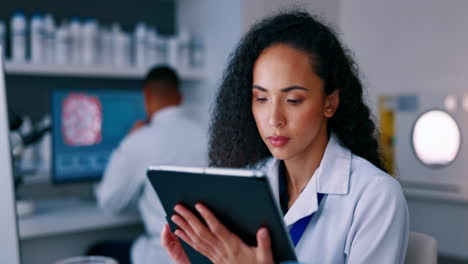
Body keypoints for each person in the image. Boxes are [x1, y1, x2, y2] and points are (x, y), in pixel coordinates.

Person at [160, 11, 409, 264]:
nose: (274, 119)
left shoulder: (375, 196)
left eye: (293, 100)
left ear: (330, 102)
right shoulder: (248, 183)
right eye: (261, 99)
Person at [90, 66, 208, 264]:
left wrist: (127, 140)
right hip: (205, 254)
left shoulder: (139, 140)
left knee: (96, 251)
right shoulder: (207, 135)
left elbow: (109, 202)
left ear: (146, 97)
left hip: (162, 255)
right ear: (180, 98)